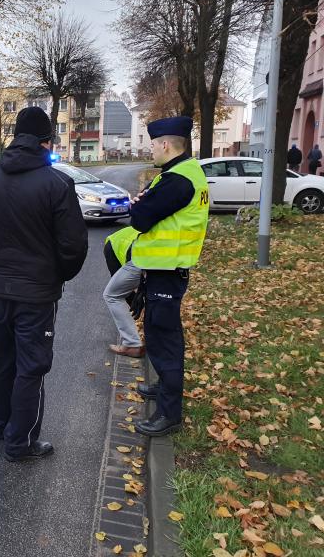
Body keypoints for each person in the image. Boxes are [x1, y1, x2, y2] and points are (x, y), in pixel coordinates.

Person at [0, 107, 88, 462]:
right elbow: (74, 246)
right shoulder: (58, 183)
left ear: (16, 138)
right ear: (46, 141)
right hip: (37, 295)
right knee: (31, 367)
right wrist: (57, 274)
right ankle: (21, 442)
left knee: (2, 359)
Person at [129, 116, 209, 437]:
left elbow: (140, 217)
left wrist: (140, 204)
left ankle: (169, 413)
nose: (151, 150)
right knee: (157, 331)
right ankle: (164, 387)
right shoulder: (182, 173)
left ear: (165, 144)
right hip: (165, 269)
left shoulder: (177, 180)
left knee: (165, 340)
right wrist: (143, 203)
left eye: (152, 145)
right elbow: (146, 208)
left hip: (168, 271)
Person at [103, 226, 144, 357]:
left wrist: (134, 299)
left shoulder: (111, 246)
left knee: (111, 295)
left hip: (140, 256)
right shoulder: (129, 232)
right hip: (165, 255)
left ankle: (132, 344)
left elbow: (120, 289)